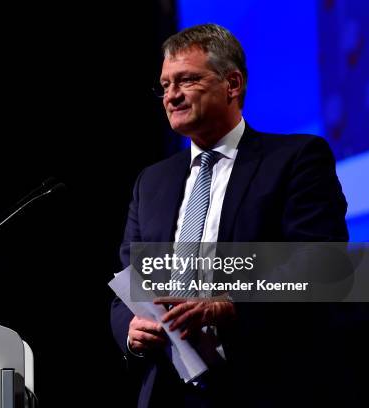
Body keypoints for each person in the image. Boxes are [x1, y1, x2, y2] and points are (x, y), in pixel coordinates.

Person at [110, 23, 348, 407]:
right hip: (166, 392)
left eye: (185, 80)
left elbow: (321, 264)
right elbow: (129, 286)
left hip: (263, 383)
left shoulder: (295, 160)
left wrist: (231, 306)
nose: (171, 96)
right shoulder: (151, 182)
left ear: (232, 84)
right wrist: (130, 331)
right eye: (165, 85)